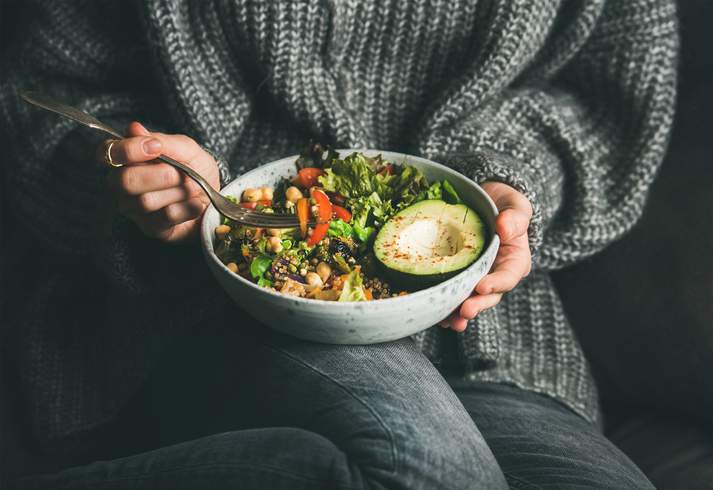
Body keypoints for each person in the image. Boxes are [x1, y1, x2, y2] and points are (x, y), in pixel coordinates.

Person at [0, 0, 677, 488]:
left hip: (493, 336)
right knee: (427, 474)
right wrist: (133, 176)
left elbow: (606, 97)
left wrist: (512, 185)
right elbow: (41, 94)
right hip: (215, 304)